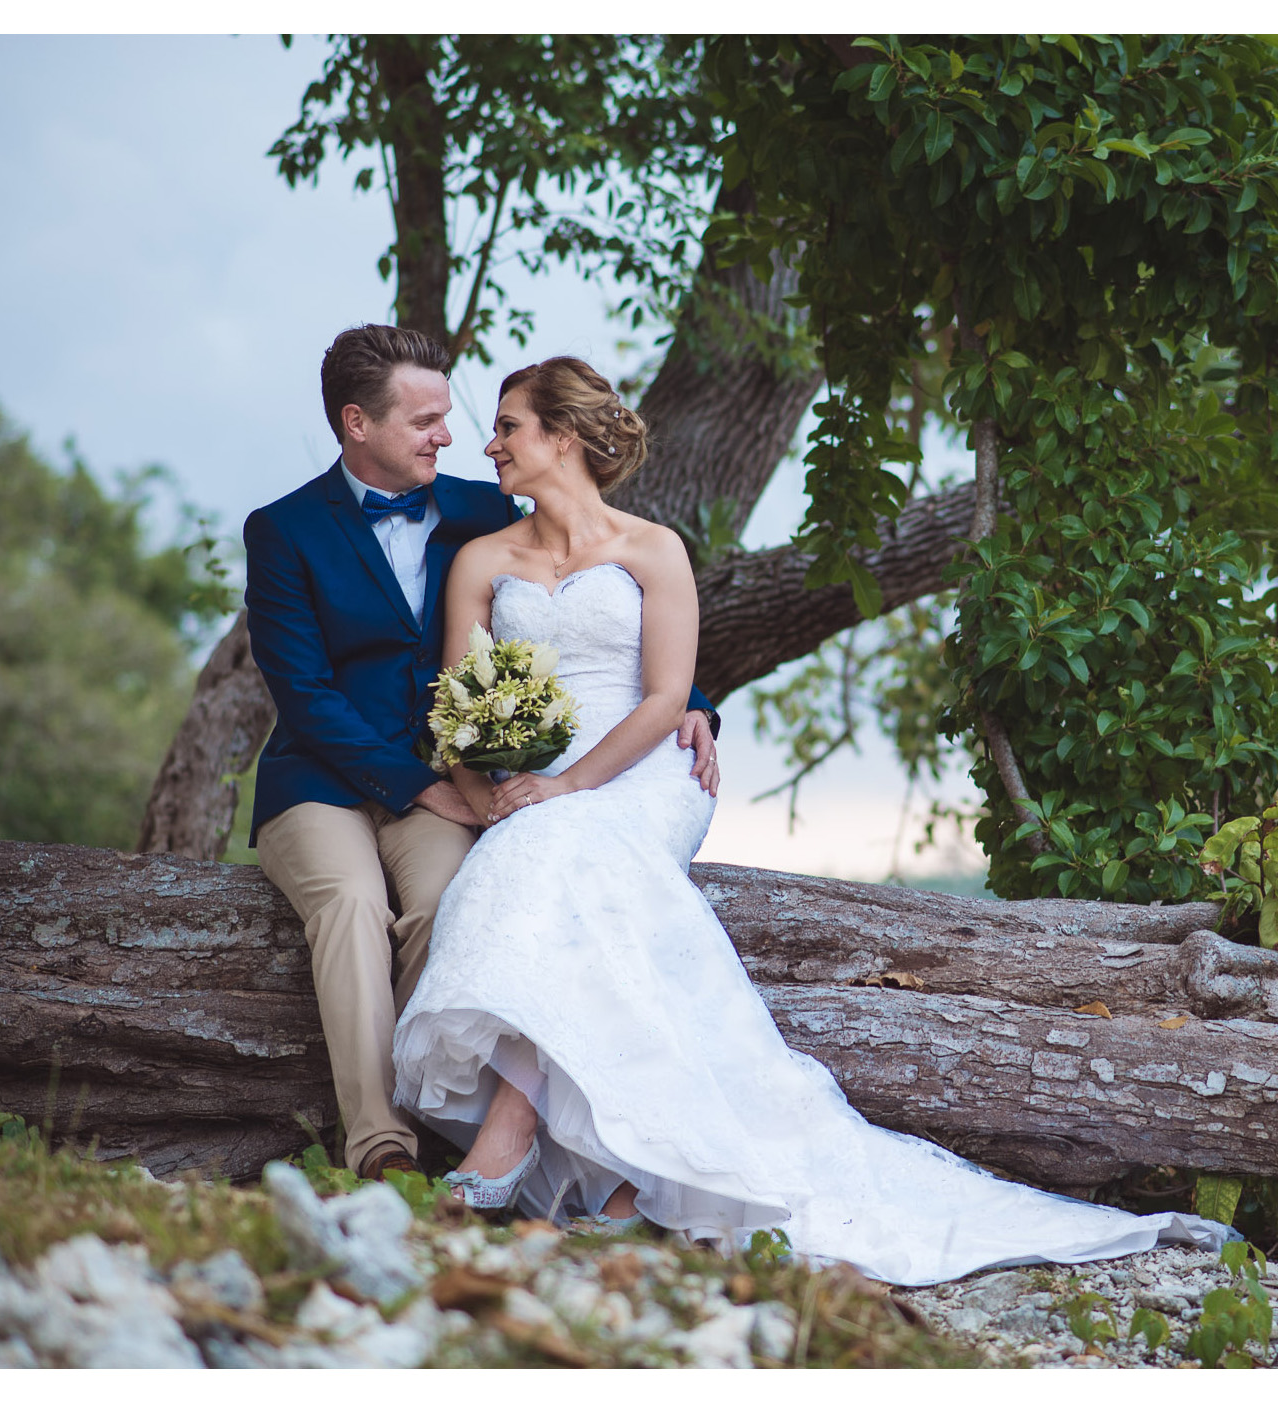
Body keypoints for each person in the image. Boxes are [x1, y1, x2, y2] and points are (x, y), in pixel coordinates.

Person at [391, 355, 1224, 1283]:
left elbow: (666, 697)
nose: (490, 445)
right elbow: (455, 703)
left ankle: (511, 1134)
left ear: (563, 437)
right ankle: (625, 1177)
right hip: (539, 780)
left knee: (560, 841)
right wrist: (491, 788)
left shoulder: (652, 548)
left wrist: (570, 785)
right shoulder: (483, 560)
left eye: (508, 425)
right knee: (548, 853)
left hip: (641, 771)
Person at [236, 325, 717, 1185]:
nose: (450, 437)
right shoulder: (283, 530)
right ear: (357, 423)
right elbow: (303, 694)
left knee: (451, 904)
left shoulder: (485, 509)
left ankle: (443, 1119)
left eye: (451, 417)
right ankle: (380, 1144)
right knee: (351, 903)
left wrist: (692, 707)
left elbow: (593, 608)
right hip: (323, 779)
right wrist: (425, 785)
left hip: (446, 778)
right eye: (425, 420)